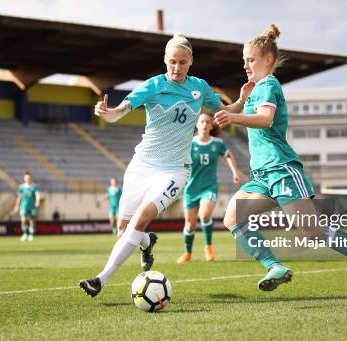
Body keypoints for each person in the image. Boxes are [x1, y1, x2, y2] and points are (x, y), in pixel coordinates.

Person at [214, 24, 347, 294]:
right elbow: (232, 110)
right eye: (244, 61)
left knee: (313, 233)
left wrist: (234, 116)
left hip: (282, 170)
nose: (245, 65)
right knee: (232, 219)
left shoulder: (270, 85)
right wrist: (237, 102)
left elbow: (265, 119)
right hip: (262, 175)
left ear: (268, 60)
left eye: (250, 60)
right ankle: (274, 266)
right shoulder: (254, 88)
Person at [79, 32, 254, 297]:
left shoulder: (200, 88)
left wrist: (240, 100)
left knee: (142, 217)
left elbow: (224, 112)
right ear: (165, 59)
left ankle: (100, 280)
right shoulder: (153, 85)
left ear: (191, 61)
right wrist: (108, 113)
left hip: (175, 170)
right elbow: (122, 110)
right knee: (124, 231)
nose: (176, 67)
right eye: (172, 61)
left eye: (182, 62)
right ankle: (147, 242)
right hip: (141, 166)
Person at [177, 114, 241, 263]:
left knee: (205, 215)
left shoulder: (217, 143)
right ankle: (187, 253)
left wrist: (235, 172)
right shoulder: (189, 143)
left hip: (209, 187)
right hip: (191, 188)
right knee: (189, 223)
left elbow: (228, 155)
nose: (205, 124)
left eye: (207, 122)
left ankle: (208, 247)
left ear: (211, 126)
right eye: (202, 121)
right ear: (197, 125)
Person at [13, 171, 41, 241]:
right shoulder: (21, 187)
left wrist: (37, 201)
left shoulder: (35, 186)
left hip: (32, 206)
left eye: (29, 178)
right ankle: (25, 234)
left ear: (31, 178)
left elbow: (37, 195)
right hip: (24, 206)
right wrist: (16, 206)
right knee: (23, 219)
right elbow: (19, 197)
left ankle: (31, 235)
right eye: (26, 178)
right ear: (24, 178)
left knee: (32, 220)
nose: (28, 179)